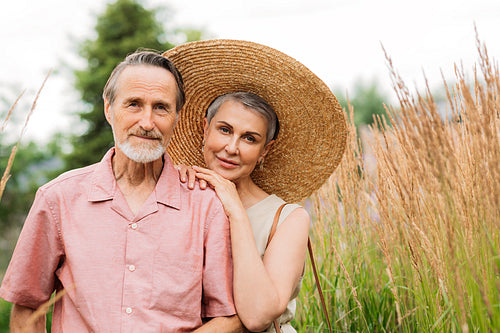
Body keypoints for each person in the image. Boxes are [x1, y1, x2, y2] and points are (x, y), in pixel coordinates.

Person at [0, 50, 237, 332]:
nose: (147, 122)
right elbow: (28, 305)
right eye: (134, 104)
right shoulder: (58, 198)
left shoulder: (206, 206)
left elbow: (226, 315)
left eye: (160, 107)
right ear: (108, 109)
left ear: (177, 117)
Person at [163, 40, 347, 332]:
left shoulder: (288, 219)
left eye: (250, 138)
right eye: (224, 130)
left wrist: (235, 209)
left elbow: (257, 315)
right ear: (204, 129)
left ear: (265, 150)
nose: (231, 148)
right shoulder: (174, 197)